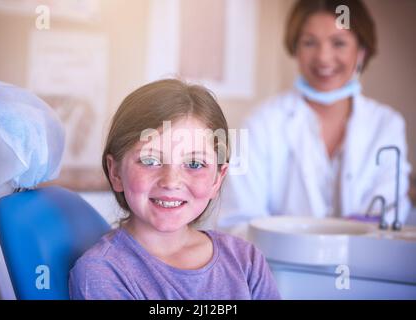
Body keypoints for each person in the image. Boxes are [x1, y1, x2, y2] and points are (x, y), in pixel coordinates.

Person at [68, 79, 280, 300]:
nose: (171, 181)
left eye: (195, 164)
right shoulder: (101, 272)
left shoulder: (247, 262)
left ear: (217, 179)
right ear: (115, 172)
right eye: (150, 160)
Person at [218, 0, 411, 238]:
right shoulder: (261, 123)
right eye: (309, 43)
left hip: (365, 268)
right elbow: (237, 220)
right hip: (279, 270)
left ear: (361, 51)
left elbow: (389, 217)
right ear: (295, 48)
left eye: (338, 43)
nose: (323, 57)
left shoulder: (386, 125)